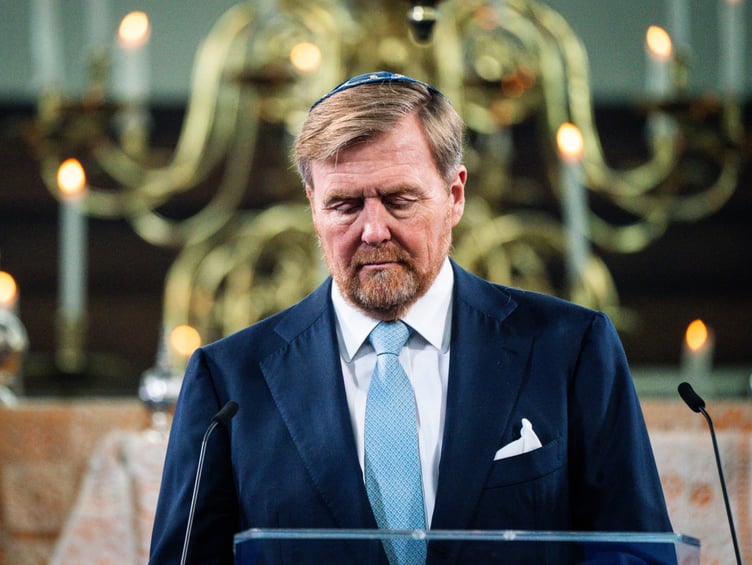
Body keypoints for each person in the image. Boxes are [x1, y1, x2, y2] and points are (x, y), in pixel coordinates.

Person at [149, 72, 672, 564]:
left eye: (399, 200)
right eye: (345, 205)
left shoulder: (569, 349)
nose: (373, 230)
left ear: (455, 195)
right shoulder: (229, 382)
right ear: (313, 206)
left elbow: (636, 552)